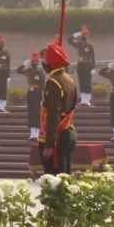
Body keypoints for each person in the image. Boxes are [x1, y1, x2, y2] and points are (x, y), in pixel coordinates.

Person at [38, 42, 79, 176]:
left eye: (46, 60)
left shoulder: (53, 82)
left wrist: (49, 144)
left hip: (57, 135)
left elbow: (52, 115)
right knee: (66, 176)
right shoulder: (69, 80)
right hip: (69, 131)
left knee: (54, 181)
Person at [17, 51, 46, 142]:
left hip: (37, 94)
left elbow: (43, 85)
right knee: (31, 113)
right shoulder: (28, 70)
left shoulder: (40, 73)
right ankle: (32, 133)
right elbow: (18, 70)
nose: (34, 63)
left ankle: (37, 133)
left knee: (37, 114)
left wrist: (43, 98)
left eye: (35, 61)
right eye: (33, 61)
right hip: (30, 93)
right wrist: (24, 64)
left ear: (38, 62)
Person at [69, 25, 96, 106]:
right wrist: (75, 35)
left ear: (87, 35)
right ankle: (83, 99)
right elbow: (69, 40)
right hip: (80, 64)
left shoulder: (90, 46)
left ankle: (87, 100)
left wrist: (93, 68)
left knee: (87, 82)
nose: (84, 36)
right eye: (82, 34)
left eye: (85, 34)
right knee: (81, 81)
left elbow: (93, 57)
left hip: (88, 64)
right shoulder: (78, 44)